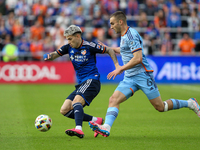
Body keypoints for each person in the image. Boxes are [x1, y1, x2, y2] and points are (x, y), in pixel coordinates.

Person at [88, 11, 200, 137]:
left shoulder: (131, 35)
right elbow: (125, 50)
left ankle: (190, 103)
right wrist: (110, 48)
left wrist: (120, 69)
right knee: (113, 99)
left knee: (160, 107)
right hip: (130, 77)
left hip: (143, 75)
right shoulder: (124, 35)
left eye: (112, 23)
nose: (111, 26)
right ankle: (106, 127)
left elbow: (138, 59)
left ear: (120, 22)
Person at [43, 25, 119, 138]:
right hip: (81, 83)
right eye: (67, 39)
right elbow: (55, 54)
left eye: (70, 39)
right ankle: (96, 120)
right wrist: (50, 56)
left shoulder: (89, 46)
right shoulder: (68, 47)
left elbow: (109, 50)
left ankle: (78, 129)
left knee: (76, 102)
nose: (68, 42)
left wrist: (117, 65)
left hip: (92, 80)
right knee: (64, 110)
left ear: (78, 36)